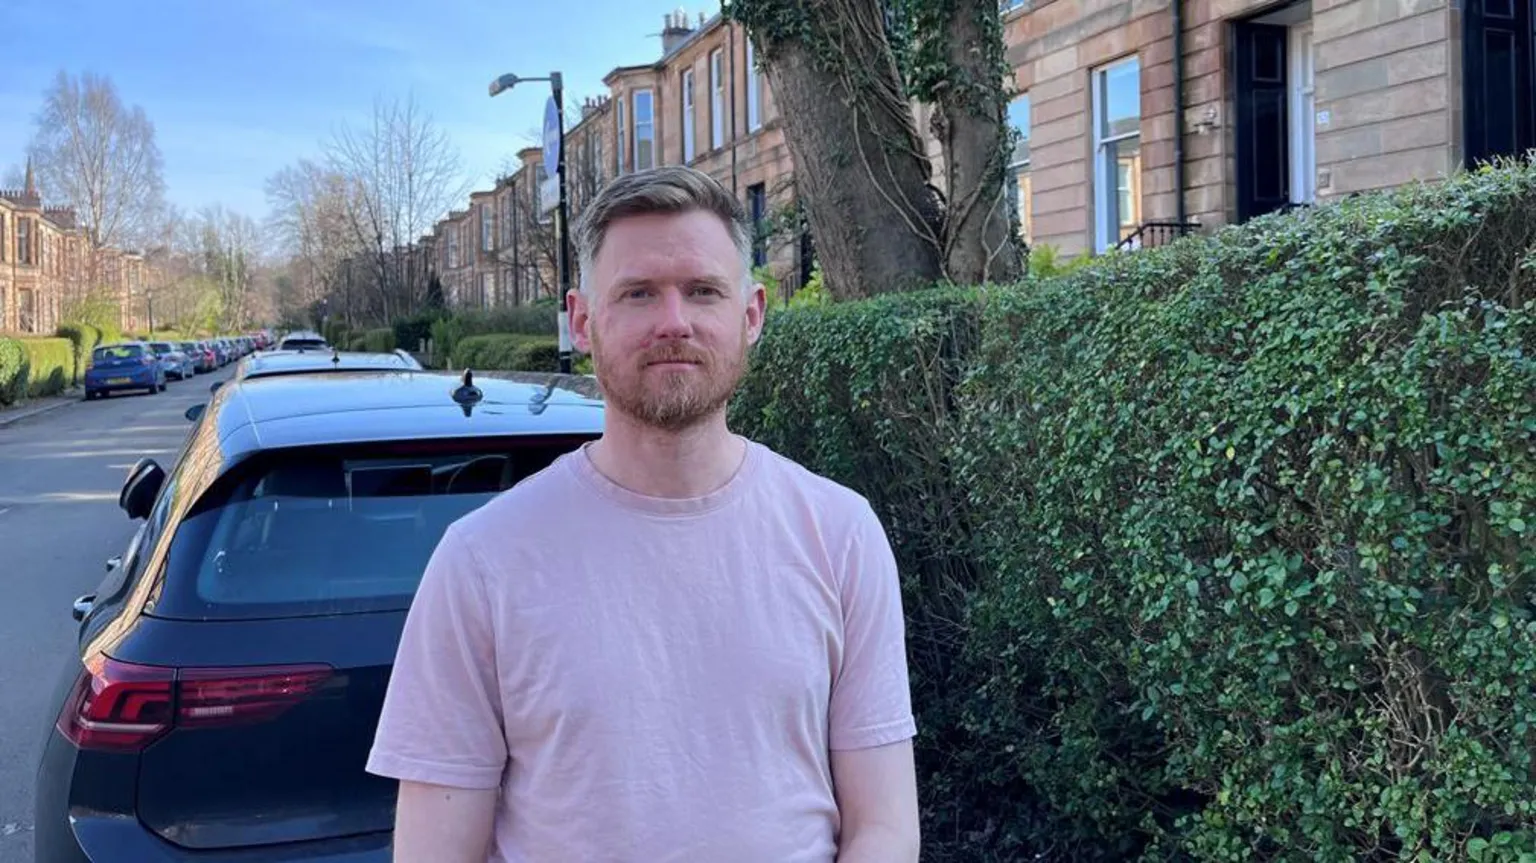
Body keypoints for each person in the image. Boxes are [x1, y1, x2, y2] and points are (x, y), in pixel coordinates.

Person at [366, 165, 920, 862]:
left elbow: (884, 826)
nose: (674, 322)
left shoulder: (839, 533)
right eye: (637, 293)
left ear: (751, 315)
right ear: (582, 321)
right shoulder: (484, 559)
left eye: (703, 291)